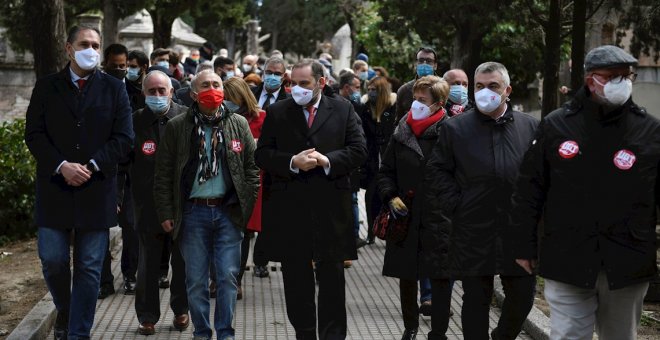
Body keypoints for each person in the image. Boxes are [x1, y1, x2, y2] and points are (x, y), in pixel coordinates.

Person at [512, 45, 658, 340]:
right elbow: (530, 188)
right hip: (568, 258)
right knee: (568, 335)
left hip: (627, 260)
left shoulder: (649, 131)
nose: (623, 82)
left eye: (626, 75)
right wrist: (523, 245)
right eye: (613, 75)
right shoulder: (557, 125)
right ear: (592, 79)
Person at [24, 25, 134, 340]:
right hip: (55, 189)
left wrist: (93, 164)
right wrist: (61, 165)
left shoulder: (114, 88)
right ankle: (66, 311)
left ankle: (78, 333)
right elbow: (34, 133)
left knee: (88, 268)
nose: (91, 50)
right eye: (84, 44)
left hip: (96, 189)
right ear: (68, 48)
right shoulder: (47, 86)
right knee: (54, 261)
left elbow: (124, 137)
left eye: (96, 45)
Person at [424, 62, 538, 340]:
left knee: (522, 297)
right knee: (475, 300)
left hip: (517, 230)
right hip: (473, 228)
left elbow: (541, 175)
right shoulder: (455, 128)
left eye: (493, 86)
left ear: (507, 90)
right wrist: (457, 204)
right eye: (479, 86)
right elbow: (437, 171)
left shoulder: (530, 127)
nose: (484, 92)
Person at [255, 59, 367, 340]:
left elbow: (358, 150)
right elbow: (262, 154)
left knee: (332, 281)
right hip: (291, 210)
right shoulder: (278, 111)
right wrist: (292, 162)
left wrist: (327, 160)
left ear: (321, 83)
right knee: (296, 282)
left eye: (304, 84)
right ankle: (304, 333)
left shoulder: (342, 109)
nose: (296, 89)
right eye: (292, 83)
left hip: (331, 209)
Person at [154, 70, 259, 340]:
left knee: (226, 277)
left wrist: (245, 206)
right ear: (193, 94)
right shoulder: (178, 126)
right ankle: (202, 332)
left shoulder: (238, 124)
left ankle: (225, 333)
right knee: (196, 280)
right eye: (205, 85)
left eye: (216, 84)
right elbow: (164, 173)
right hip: (192, 213)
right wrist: (166, 211)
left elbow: (251, 169)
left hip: (228, 212)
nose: (212, 89)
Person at [377, 75, 453, 340]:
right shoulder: (402, 130)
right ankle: (410, 327)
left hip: (439, 217)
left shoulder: (451, 132)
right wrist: (389, 195)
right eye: (414, 99)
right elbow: (386, 170)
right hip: (405, 216)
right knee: (407, 275)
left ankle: (439, 331)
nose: (416, 104)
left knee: (441, 276)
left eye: (423, 100)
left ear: (439, 104)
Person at [131, 70, 190, 335]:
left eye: (161, 91)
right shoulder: (135, 121)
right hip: (147, 204)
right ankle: (147, 316)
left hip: (182, 204)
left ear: (171, 92)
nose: (156, 96)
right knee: (148, 263)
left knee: (182, 261)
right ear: (144, 94)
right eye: (151, 91)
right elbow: (123, 164)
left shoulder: (187, 117)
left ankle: (181, 310)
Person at [98, 43, 140, 298]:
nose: (119, 70)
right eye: (114, 66)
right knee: (100, 226)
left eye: (123, 66)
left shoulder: (137, 94)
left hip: (131, 170)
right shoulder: (98, 92)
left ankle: (130, 275)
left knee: (131, 226)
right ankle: (104, 280)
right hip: (103, 168)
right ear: (105, 64)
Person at [223, 77, 267, 300]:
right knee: (223, 233)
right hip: (224, 183)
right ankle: (219, 279)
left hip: (251, 185)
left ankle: (236, 280)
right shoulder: (219, 116)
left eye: (232, 98)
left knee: (242, 234)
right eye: (225, 98)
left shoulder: (261, 119)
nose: (229, 102)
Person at [359, 76, 396, 244]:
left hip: (390, 158)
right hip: (372, 160)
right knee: (371, 196)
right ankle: (372, 232)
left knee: (390, 196)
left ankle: (390, 231)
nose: (370, 92)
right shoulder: (365, 108)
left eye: (374, 90)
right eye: (369, 89)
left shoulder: (393, 107)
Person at [396, 47, 439, 122]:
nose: (424, 64)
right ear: (416, 64)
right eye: (421, 60)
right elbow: (398, 122)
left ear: (435, 65)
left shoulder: (445, 88)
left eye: (429, 61)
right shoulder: (404, 90)